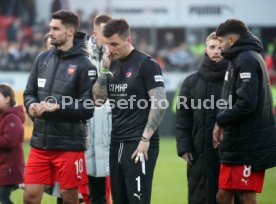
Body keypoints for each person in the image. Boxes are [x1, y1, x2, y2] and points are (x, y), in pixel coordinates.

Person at [23, 10, 97, 204]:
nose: (50, 33)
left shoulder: (85, 65)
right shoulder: (42, 59)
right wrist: (32, 107)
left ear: (70, 31)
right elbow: (29, 94)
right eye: (50, 28)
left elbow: (87, 107)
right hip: (40, 143)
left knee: (69, 197)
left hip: (69, 145)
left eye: (56, 28)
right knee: (29, 197)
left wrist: (58, 106)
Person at [92, 18, 167, 204]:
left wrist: (145, 139)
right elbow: (98, 100)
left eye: (115, 44)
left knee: (137, 200)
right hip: (116, 142)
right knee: (119, 200)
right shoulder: (111, 64)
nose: (110, 49)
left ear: (129, 40)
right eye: (108, 44)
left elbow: (160, 102)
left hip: (139, 144)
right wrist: (103, 70)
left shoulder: (147, 63)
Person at [213, 19, 276, 204]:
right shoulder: (238, 58)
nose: (220, 46)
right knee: (223, 195)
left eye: (221, 41)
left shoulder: (247, 59)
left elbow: (246, 104)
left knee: (246, 195)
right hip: (236, 141)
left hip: (249, 143)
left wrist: (220, 120)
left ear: (231, 40)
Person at [175, 32, 228, 204]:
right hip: (198, 154)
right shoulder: (190, 82)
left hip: (228, 152)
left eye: (220, 47)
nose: (217, 51)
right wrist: (184, 147)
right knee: (199, 198)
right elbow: (183, 118)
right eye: (213, 47)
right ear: (206, 50)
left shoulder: (234, 79)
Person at [86, 14, 112, 204]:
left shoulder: (120, 55)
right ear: (95, 34)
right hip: (83, 137)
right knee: (69, 194)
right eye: (106, 33)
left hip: (109, 138)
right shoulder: (81, 56)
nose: (111, 37)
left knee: (101, 197)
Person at [0, 83, 25, 204]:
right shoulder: (3, 116)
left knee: (3, 197)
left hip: (10, 167)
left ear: (7, 98)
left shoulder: (12, 118)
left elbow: (8, 142)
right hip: (4, 166)